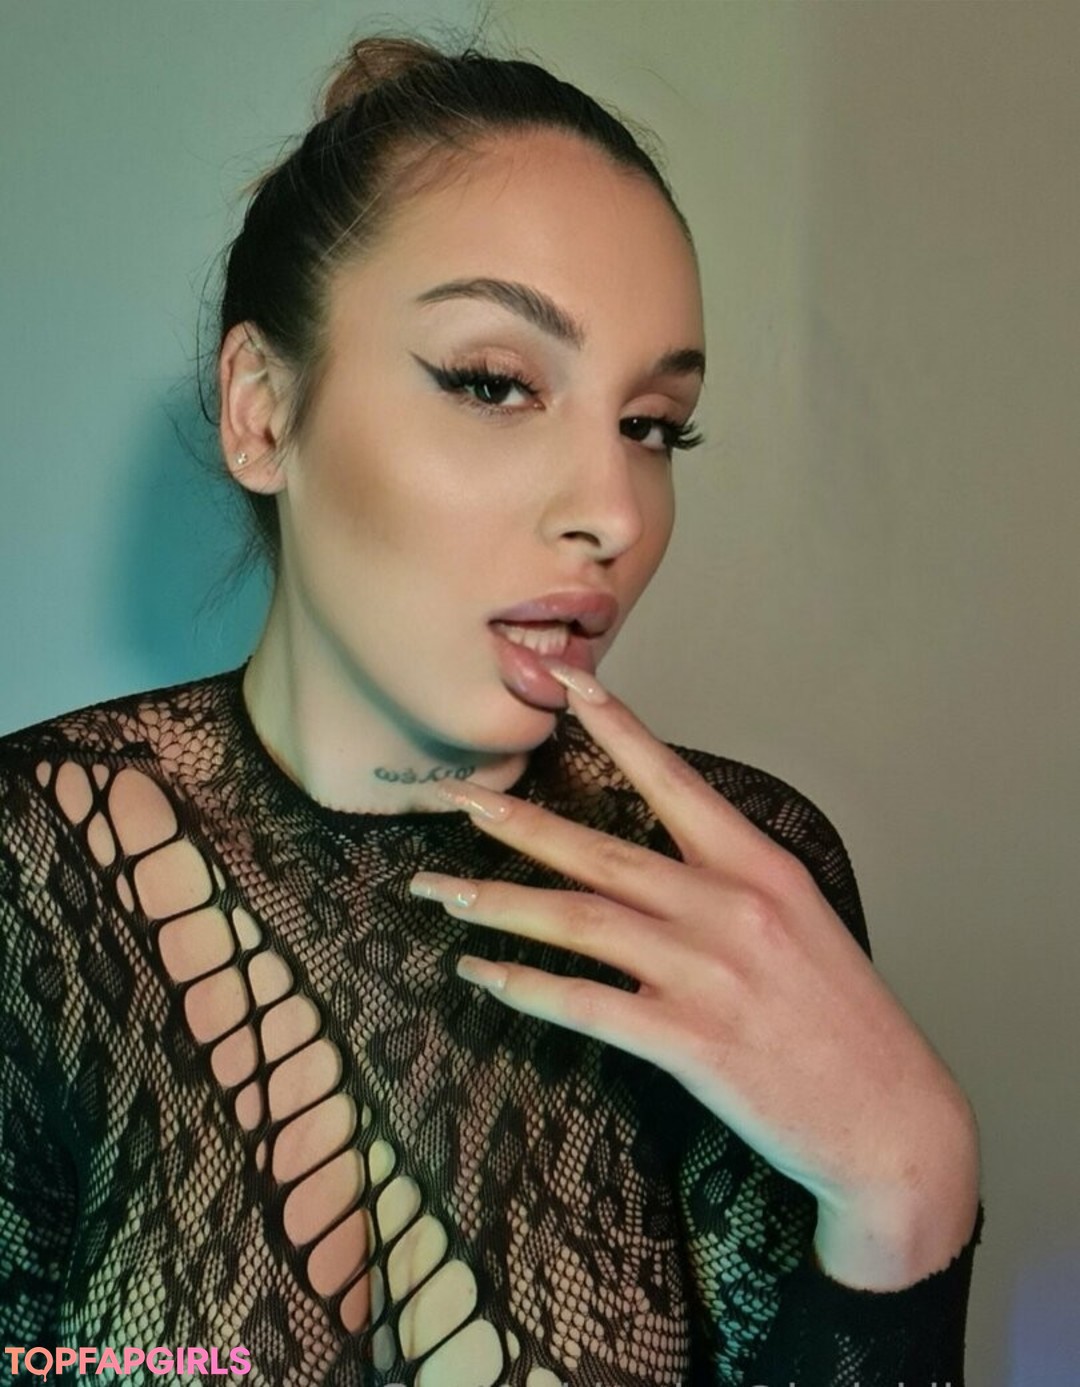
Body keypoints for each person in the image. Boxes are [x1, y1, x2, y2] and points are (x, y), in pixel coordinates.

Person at [0, 33, 983, 1387]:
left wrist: (911, 1187)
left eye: (653, 423)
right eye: (494, 384)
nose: (615, 513)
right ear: (262, 413)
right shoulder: (35, 865)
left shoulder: (738, 887)